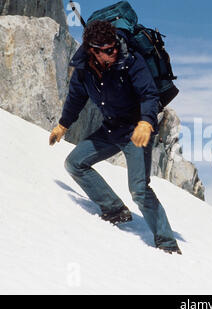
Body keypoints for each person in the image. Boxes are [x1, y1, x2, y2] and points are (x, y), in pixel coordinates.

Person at [49, 20, 181, 255]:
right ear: (93, 50)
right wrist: (63, 125)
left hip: (136, 132)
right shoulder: (83, 70)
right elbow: (76, 98)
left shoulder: (130, 60)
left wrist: (146, 122)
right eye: (108, 50)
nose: (114, 52)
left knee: (139, 189)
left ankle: (167, 244)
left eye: (114, 47)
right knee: (75, 163)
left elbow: (149, 94)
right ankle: (114, 209)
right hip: (111, 129)